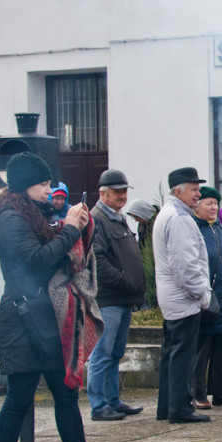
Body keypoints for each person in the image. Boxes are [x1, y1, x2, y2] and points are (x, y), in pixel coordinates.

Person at [0, 152, 124, 442]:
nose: (50, 190)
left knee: (65, 392)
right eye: (44, 184)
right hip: (21, 319)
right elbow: (36, 261)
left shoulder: (32, 213)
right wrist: (70, 229)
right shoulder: (9, 218)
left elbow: (54, 246)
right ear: (24, 186)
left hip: (44, 315)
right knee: (19, 397)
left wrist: (68, 225)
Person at [152, 167, 213, 424]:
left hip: (172, 296)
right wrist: (202, 295)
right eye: (194, 189)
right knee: (182, 356)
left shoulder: (170, 213)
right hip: (183, 298)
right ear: (178, 191)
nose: (198, 194)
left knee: (171, 353)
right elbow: (186, 265)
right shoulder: (179, 217)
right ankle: (179, 408)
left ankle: (167, 406)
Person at [88, 169, 146, 421]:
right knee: (102, 353)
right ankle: (99, 406)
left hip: (124, 298)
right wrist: (123, 281)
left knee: (115, 353)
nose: (122, 196)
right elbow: (97, 259)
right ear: (103, 193)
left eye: (124, 191)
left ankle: (112, 400)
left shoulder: (117, 217)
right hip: (109, 298)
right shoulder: (97, 218)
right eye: (117, 192)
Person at [190, 185, 222, 409]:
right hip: (205, 298)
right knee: (202, 349)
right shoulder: (194, 228)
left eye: (215, 204)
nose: (213, 207)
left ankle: (221, 392)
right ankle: (198, 394)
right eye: (208, 203)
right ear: (197, 206)